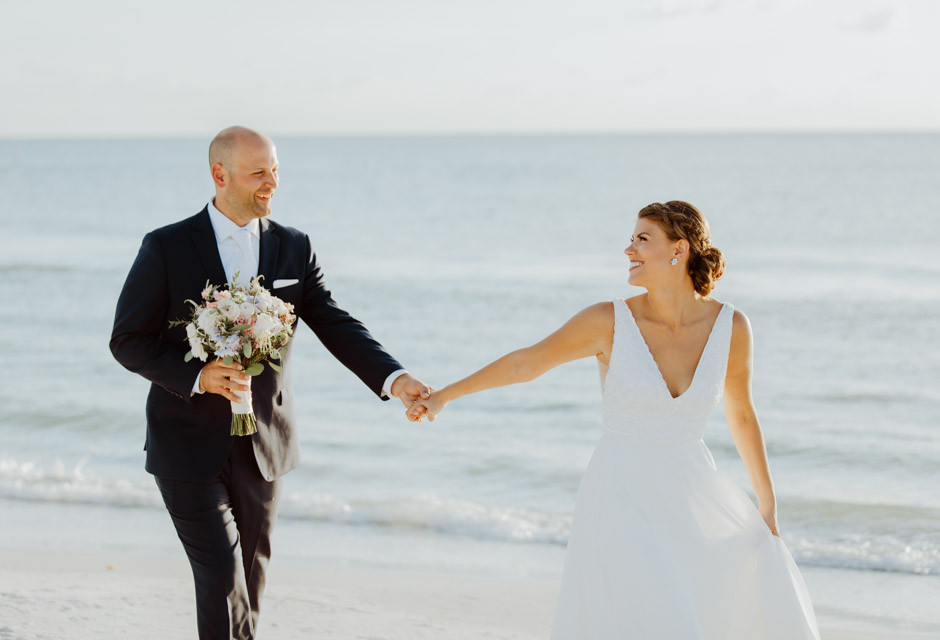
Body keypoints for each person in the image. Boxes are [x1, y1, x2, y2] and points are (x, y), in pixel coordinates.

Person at [408, 201, 820, 639]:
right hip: (620, 495)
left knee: (706, 608)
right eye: (631, 239)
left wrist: (767, 503)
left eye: (642, 239)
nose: (628, 250)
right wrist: (444, 397)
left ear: (679, 250)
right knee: (661, 615)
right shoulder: (609, 320)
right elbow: (526, 363)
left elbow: (741, 414)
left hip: (691, 495)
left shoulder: (731, 326)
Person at [110, 126, 432, 640]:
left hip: (266, 444)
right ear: (220, 174)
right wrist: (197, 375)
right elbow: (127, 340)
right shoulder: (166, 247)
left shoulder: (294, 247)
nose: (272, 183)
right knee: (221, 576)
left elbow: (334, 321)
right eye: (258, 172)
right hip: (186, 445)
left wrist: (394, 378)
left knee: (251, 582)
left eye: (275, 169)